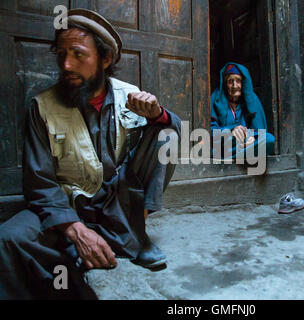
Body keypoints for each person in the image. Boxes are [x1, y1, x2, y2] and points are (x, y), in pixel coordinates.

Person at [0, 9, 181, 299]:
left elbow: (167, 134)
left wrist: (158, 115)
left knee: (168, 133)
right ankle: (85, 246)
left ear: (105, 59)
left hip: (117, 202)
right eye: (61, 55)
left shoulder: (129, 95)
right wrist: (74, 228)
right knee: (7, 240)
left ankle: (136, 233)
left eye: (78, 54)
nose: (67, 64)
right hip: (69, 205)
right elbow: (39, 182)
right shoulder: (42, 106)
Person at [210, 63, 275, 160]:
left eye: (238, 81)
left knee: (269, 139)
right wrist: (231, 130)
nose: (234, 85)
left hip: (246, 144)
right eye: (230, 81)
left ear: (243, 83)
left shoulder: (252, 100)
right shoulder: (216, 98)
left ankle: (236, 157)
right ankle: (243, 156)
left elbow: (260, 130)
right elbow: (210, 131)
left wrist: (253, 138)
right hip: (227, 145)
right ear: (225, 84)